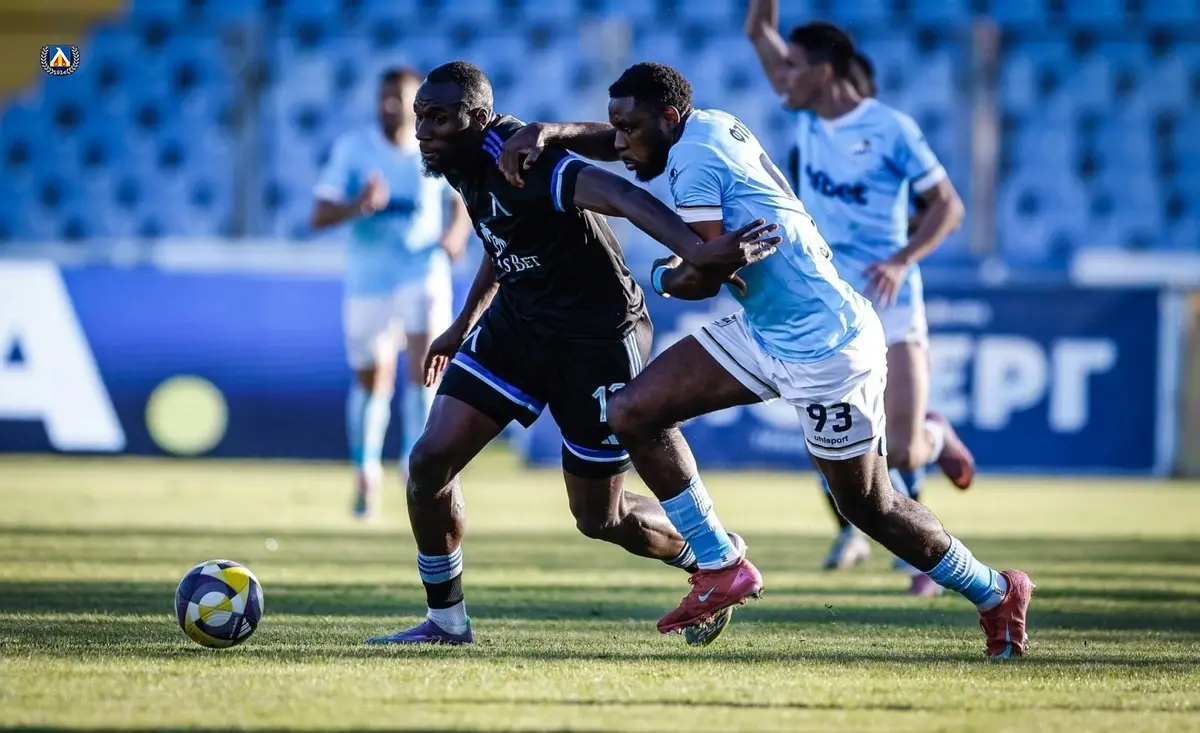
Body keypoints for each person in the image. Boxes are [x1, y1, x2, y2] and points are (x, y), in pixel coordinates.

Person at [499, 62, 1033, 659]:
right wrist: (551, 131)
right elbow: (637, 158)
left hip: (827, 349)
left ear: (668, 118)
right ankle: (720, 564)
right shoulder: (706, 125)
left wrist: (661, 274)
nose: (619, 142)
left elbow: (702, 277)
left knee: (869, 505)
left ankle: (995, 591)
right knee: (634, 411)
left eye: (629, 128)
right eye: (615, 126)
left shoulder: (694, 164)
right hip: (766, 330)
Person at [364, 61, 779, 646]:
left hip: (596, 338)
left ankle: (712, 557)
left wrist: (697, 251)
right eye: (420, 117)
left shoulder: (522, 158)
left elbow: (618, 193)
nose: (423, 131)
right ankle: (446, 623)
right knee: (429, 462)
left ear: (477, 119)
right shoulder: (455, 159)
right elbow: (502, 237)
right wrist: (463, 324)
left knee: (599, 518)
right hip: (517, 326)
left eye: (438, 118)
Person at [746, 2, 977, 594]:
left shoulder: (891, 129)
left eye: (793, 67)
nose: (782, 78)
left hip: (890, 297)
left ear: (823, 71)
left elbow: (949, 206)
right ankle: (911, 554)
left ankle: (937, 436)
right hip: (830, 304)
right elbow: (759, 30)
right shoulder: (806, 116)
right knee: (842, 445)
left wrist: (902, 259)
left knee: (904, 448)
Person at [311, 66, 473, 521]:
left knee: (426, 370)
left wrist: (455, 236)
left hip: (423, 270)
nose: (387, 106)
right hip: (370, 280)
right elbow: (319, 214)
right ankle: (365, 475)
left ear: (415, 104)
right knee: (372, 380)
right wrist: (357, 206)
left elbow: (461, 202)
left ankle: (416, 473)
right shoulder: (354, 149)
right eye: (383, 97)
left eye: (397, 99)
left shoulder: (435, 146)